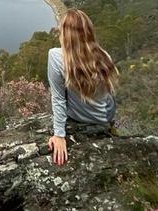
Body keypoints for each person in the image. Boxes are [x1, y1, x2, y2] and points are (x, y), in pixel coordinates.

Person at [47, 9, 118, 166]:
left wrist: (59, 135)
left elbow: (58, 98)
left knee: (63, 92)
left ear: (65, 33)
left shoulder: (55, 56)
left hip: (80, 117)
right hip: (105, 116)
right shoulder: (104, 55)